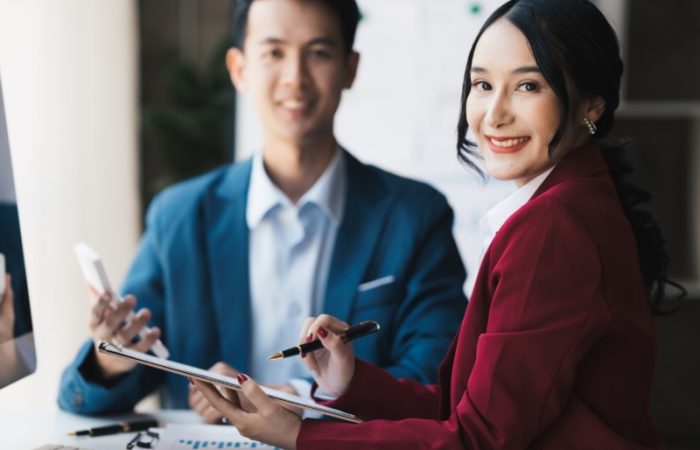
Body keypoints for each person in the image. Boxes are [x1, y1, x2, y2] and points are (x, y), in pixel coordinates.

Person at [191, 0, 679, 448]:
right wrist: (347, 382)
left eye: (528, 86)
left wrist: (300, 436)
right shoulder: (566, 205)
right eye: (483, 85)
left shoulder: (554, 226)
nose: (494, 114)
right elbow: (460, 411)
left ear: (591, 105)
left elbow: (475, 438)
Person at [58, 0, 467, 418]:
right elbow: (93, 391)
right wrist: (110, 360)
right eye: (273, 52)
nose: (295, 78)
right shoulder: (178, 218)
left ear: (350, 68)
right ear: (239, 69)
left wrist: (297, 396)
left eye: (319, 53)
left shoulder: (416, 216)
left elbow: (438, 378)